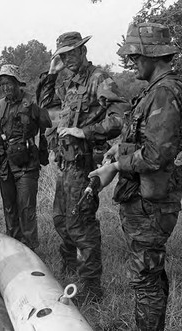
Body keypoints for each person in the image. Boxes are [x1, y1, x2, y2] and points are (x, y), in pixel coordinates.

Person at [89, 22, 182, 330]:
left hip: (150, 204)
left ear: (152, 57)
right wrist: (119, 149)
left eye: (135, 56)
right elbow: (148, 138)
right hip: (148, 200)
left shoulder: (163, 92)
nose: (131, 62)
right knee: (151, 274)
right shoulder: (158, 91)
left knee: (145, 280)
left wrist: (116, 166)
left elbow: (155, 154)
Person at [48, 31, 129, 304]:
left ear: (83, 51)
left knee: (81, 223)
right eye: (63, 55)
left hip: (86, 165)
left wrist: (85, 131)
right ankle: (70, 268)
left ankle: (92, 287)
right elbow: (44, 106)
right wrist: (51, 74)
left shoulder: (98, 78)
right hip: (67, 164)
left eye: (72, 53)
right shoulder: (69, 83)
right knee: (61, 218)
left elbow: (121, 118)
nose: (68, 59)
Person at [0, 64, 51, 250]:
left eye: (9, 83)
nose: (6, 87)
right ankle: (14, 247)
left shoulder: (31, 103)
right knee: (9, 207)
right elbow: (0, 130)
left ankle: (30, 251)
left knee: (26, 208)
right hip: (5, 163)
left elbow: (46, 126)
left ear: (17, 83)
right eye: (2, 84)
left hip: (27, 163)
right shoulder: (0, 105)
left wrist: (42, 151)